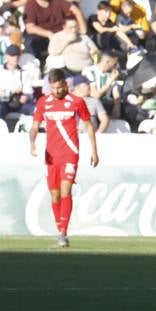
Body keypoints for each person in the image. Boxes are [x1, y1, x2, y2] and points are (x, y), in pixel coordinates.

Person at [30, 68, 100, 248]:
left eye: (59, 88)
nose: (56, 92)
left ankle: (63, 233)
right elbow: (35, 125)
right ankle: (59, 228)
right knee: (54, 195)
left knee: (66, 190)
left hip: (70, 153)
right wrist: (32, 142)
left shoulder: (76, 102)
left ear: (65, 84)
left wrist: (94, 150)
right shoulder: (43, 102)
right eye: (53, 88)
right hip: (50, 155)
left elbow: (88, 125)